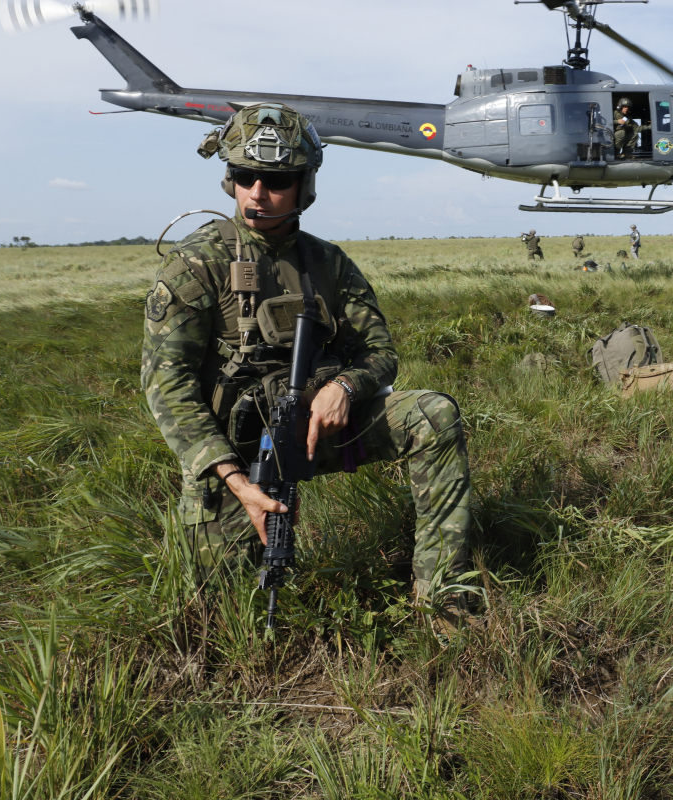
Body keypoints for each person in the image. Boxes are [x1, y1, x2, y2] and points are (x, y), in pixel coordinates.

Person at [141, 103, 474, 632]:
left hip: (322, 430)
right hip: (235, 453)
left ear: (304, 185)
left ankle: (443, 603)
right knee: (219, 609)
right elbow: (166, 385)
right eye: (244, 176)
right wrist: (234, 479)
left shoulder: (329, 263)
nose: (257, 192)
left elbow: (380, 351)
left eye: (275, 180)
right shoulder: (197, 262)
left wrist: (345, 384)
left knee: (433, 415)